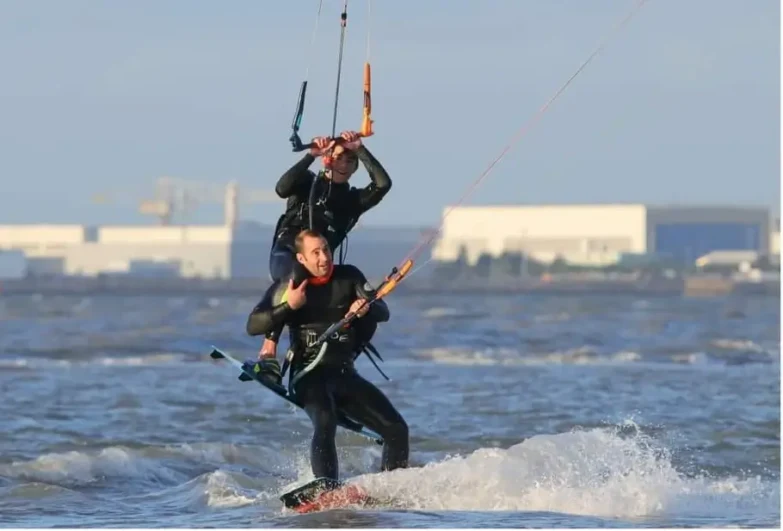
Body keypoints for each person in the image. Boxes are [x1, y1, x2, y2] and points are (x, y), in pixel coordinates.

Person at [245, 229, 409, 481]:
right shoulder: (291, 285)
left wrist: (367, 308)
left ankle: (391, 488)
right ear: (302, 259)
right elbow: (253, 325)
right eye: (316, 252)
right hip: (308, 375)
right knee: (325, 422)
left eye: (326, 250)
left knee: (397, 429)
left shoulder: (349, 276)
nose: (324, 257)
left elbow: (383, 311)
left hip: (344, 374)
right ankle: (327, 489)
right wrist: (290, 305)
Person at [261, 130, 393, 360]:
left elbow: (383, 184)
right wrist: (310, 155)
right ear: (328, 159)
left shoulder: (354, 201)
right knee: (297, 274)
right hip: (286, 255)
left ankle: (344, 358)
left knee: (360, 297)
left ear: (355, 168)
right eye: (340, 156)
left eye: (350, 160)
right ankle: (269, 349)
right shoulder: (307, 183)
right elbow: (281, 189)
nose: (344, 163)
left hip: (322, 267)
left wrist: (360, 148)